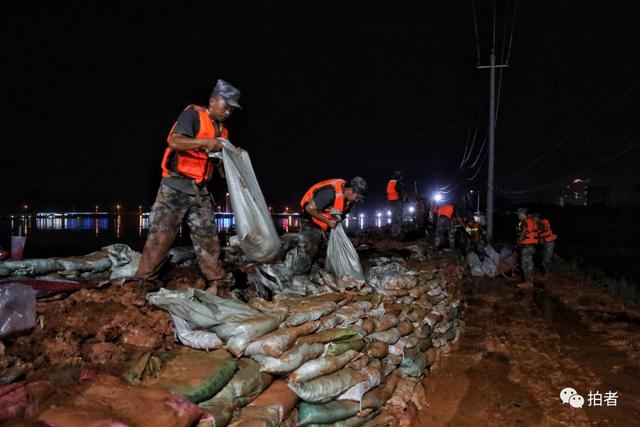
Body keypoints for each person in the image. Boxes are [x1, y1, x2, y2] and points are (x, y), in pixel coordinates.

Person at [135, 79, 242, 292]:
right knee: (161, 236)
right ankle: (145, 282)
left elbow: (218, 164)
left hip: (200, 190)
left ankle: (217, 280)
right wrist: (203, 142)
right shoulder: (193, 115)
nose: (229, 111)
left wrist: (233, 158)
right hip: (174, 187)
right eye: (226, 105)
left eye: (232, 108)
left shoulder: (222, 131)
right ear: (213, 101)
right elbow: (174, 141)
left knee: (208, 237)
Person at [295, 177, 368, 273]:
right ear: (350, 191)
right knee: (308, 248)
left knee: (331, 249)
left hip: (327, 223)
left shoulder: (349, 202)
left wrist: (334, 221)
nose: (357, 200)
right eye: (357, 197)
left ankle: (326, 270)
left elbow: (341, 215)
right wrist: (328, 221)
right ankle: (299, 275)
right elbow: (310, 208)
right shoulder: (330, 193)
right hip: (311, 219)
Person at [515, 207, 538, 288]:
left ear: (523, 214)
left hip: (526, 246)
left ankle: (527, 282)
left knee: (524, 265)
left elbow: (524, 229)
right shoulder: (532, 221)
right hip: (532, 246)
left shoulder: (524, 221)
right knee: (530, 264)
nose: (518, 216)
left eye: (519, 214)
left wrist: (520, 238)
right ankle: (530, 281)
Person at [386, 171, 407, 237]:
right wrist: (404, 199)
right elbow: (402, 192)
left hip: (391, 201)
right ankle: (399, 232)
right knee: (399, 216)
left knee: (393, 216)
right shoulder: (399, 183)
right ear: (400, 177)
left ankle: (393, 232)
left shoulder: (390, 182)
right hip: (398, 201)